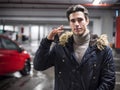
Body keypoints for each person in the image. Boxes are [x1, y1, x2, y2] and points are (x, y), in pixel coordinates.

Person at [34, 4, 115, 90]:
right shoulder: (61, 47)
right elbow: (39, 65)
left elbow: (109, 81)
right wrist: (47, 40)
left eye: (80, 20)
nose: (76, 24)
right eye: (73, 21)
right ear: (70, 23)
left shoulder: (102, 49)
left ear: (87, 21)